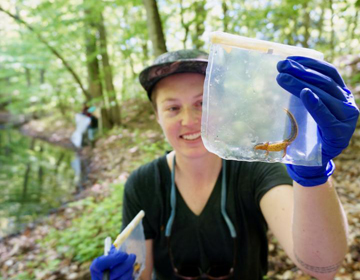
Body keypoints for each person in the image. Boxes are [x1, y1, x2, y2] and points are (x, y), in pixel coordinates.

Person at [90, 49, 359, 280]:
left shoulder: (256, 169)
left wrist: (312, 171)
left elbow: (322, 266)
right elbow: (142, 271)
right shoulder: (144, 183)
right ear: (157, 116)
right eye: (173, 108)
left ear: (221, 106)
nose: (188, 119)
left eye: (202, 102)